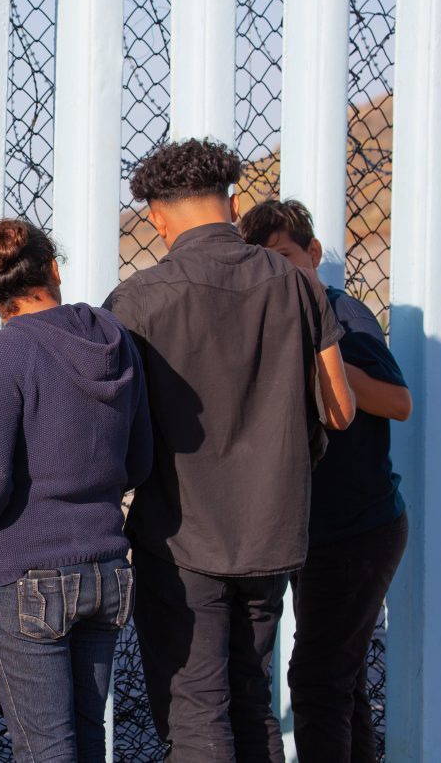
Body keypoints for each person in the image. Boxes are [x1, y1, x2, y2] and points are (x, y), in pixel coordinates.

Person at [102, 138, 355, 762]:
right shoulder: (298, 287)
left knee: (194, 705)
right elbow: (341, 410)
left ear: (158, 216)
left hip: (179, 533)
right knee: (251, 695)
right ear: (234, 202)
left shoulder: (135, 300)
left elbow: (112, 431)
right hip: (273, 528)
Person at [0, 218, 153, 762]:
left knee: (44, 749)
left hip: (30, 577)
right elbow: (139, 462)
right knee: (88, 740)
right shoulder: (117, 339)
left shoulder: (2, 353)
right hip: (108, 570)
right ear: (54, 268)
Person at [239, 199, 411, 763]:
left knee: (315, 679)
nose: (280, 272)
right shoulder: (266, 323)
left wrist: (328, 359)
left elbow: (398, 402)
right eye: (265, 262)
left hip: (356, 530)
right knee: (341, 678)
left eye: (288, 257)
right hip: (310, 533)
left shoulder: (344, 315)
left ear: (313, 254)